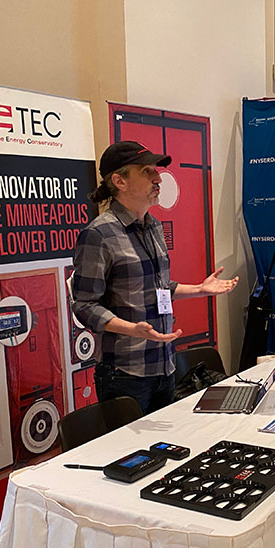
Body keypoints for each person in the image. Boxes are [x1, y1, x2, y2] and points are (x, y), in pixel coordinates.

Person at [71, 141, 238, 413]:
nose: (158, 178)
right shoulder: (98, 235)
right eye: (147, 171)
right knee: (133, 455)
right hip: (125, 372)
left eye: (156, 171)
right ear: (119, 181)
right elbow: (84, 306)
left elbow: (156, 288)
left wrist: (198, 289)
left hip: (164, 365)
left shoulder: (153, 226)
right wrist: (130, 328)